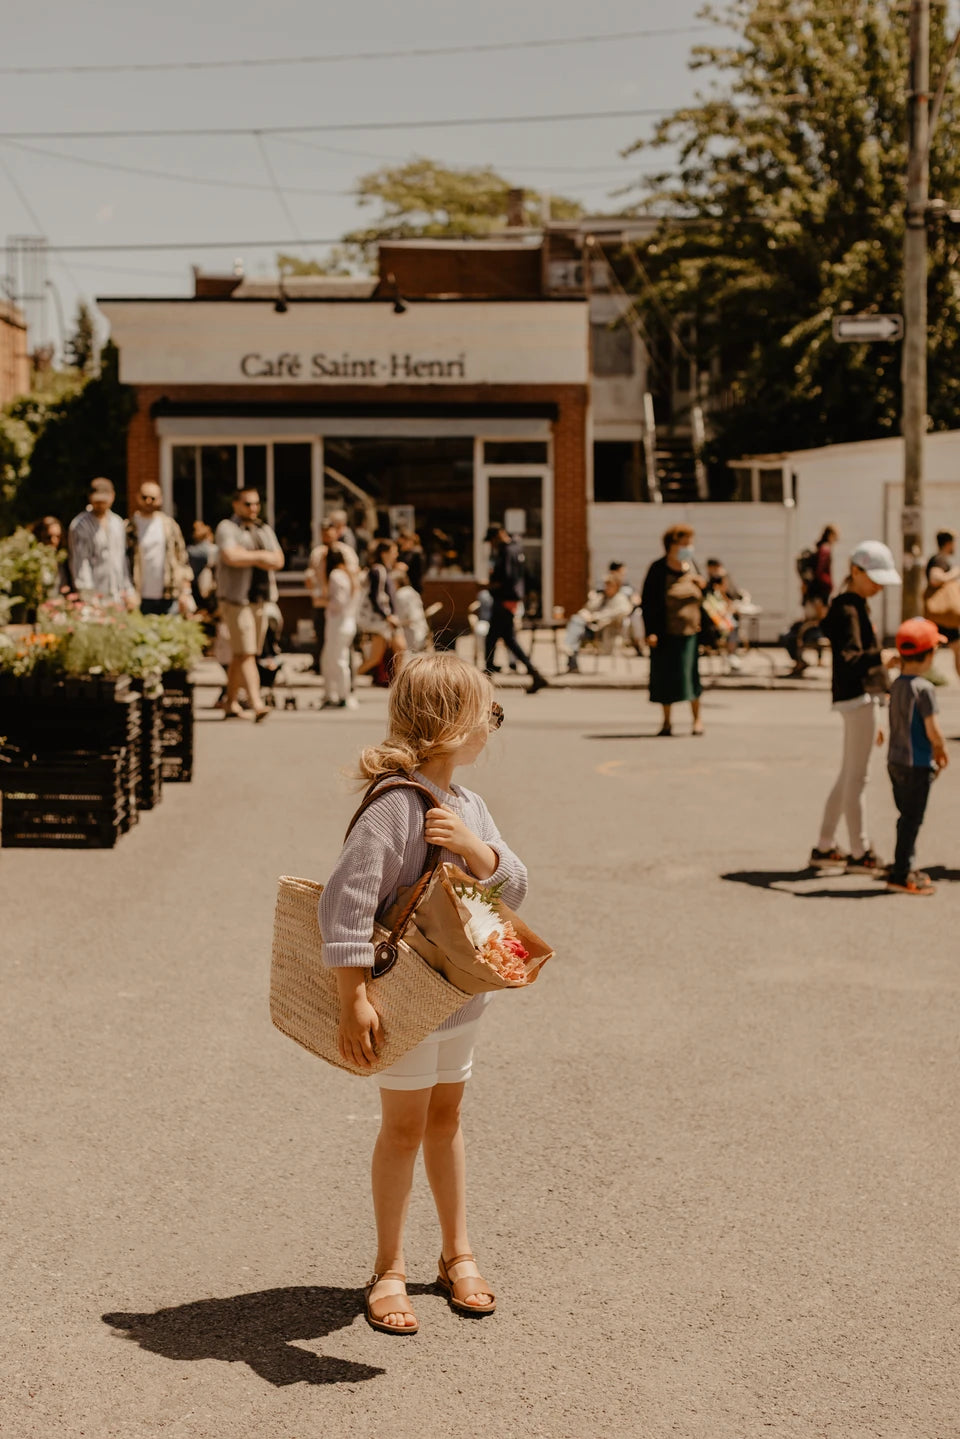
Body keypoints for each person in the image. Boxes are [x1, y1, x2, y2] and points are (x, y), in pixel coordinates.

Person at [319, 654, 527, 1333]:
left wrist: (477, 849)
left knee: (446, 1120)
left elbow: (513, 888)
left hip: (458, 998)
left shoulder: (469, 806)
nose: (492, 727)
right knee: (404, 1128)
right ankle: (388, 1265)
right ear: (450, 726)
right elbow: (344, 906)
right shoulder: (395, 806)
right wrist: (354, 997)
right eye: (486, 715)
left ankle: (457, 1251)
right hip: (399, 1000)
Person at [809, 540, 902, 873]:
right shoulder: (849, 608)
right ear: (855, 571)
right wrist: (883, 658)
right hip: (857, 697)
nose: (878, 586)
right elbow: (850, 659)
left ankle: (824, 845)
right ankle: (860, 851)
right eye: (873, 578)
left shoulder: (852, 604)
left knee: (849, 775)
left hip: (859, 698)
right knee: (857, 778)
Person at [886, 618, 950, 896]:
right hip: (918, 764)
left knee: (905, 817)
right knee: (912, 820)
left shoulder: (898, 684)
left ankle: (904, 865)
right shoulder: (924, 688)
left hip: (895, 762)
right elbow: (931, 728)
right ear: (931, 654)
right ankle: (901, 874)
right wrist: (941, 747)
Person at [214, 487, 284, 722]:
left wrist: (251, 556)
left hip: (260, 599)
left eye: (256, 504)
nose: (253, 508)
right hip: (236, 600)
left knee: (240, 654)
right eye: (247, 504)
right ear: (236, 504)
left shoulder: (263, 529)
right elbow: (230, 556)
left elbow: (279, 559)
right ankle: (256, 703)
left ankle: (231, 703)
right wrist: (262, 557)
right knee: (247, 654)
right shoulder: (227, 527)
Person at [640, 525, 706, 736]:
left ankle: (697, 720)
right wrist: (650, 631)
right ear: (671, 545)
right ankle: (667, 722)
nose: (688, 548)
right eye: (684, 544)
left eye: (690, 543)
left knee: (691, 677)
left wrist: (702, 586)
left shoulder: (692, 566)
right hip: (665, 632)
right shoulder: (658, 569)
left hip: (690, 633)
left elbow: (704, 599)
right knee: (665, 677)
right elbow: (648, 602)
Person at [483, 524, 548, 694]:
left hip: (504, 600)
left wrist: (488, 585)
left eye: (491, 540)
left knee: (492, 639)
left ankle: (486, 679)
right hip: (511, 599)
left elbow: (507, 577)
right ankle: (534, 673)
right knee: (508, 639)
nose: (491, 545)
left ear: (498, 535)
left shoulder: (506, 551)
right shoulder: (516, 548)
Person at [126, 480, 193, 616]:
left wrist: (185, 592)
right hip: (138, 596)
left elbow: (182, 559)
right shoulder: (129, 527)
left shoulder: (169, 525)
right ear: (138, 497)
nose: (149, 501)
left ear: (160, 499)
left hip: (169, 593)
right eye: (145, 497)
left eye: (153, 498)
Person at [306, 518, 360, 675]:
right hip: (322, 603)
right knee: (324, 643)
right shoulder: (317, 552)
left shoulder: (345, 552)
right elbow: (312, 576)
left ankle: (347, 682)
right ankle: (328, 680)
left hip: (341, 605)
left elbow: (353, 575)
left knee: (343, 646)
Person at [68, 477, 135, 603]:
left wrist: (128, 590)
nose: (100, 505)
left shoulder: (117, 523)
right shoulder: (80, 525)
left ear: (112, 497)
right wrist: (87, 595)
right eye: (97, 501)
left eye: (104, 501)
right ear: (90, 498)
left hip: (117, 595)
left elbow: (121, 559)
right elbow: (80, 563)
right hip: (94, 596)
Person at [786, 525, 838, 676]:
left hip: (817, 595)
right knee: (819, 625)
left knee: (815, 626)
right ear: (831, 535)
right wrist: (824, 590)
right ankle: (805, 659)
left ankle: (807, 660)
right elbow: (821, 573)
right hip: (820, 594)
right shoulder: (825, 550)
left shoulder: (819, 549)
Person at [562, 569, 634, 673]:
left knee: (576, 628)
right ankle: (571, 653)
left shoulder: (620, 599)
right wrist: (587, 612)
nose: (607, 588)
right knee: (576, 621)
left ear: (616, 586)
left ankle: (568, 648)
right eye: (606, 585)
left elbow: (621, 612)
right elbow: (587, 609)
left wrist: (595, 617)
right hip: (590, 627)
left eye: (610, 585)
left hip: (605, 631)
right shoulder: (601, 597)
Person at [358, 539, 407, 686]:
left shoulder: (385, 570)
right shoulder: (378, 570)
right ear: (385, 553)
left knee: (400, 647)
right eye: (393, 551)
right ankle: (350, 678)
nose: (396, 554)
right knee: (376, 656)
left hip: (388, 619)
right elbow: (377, 596)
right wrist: (388, 615)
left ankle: (398, 682)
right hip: (383, 620)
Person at [321, 547, 359, 709]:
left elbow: (338, 602)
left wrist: (322, 601)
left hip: (338, 623)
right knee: (332, 658)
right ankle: (334, 693)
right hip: (349, 621)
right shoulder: (349, 576)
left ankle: (343, 695)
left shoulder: (335, 575)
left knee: (336, 660)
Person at [923, 529, 960, 680]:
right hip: (942, 616)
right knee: (933, 648)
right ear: (948, 543)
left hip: (942, 616)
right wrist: (954, 573)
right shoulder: (939, 560)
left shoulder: (939, 559)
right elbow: (934, 578)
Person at [701, 558, 745, 673]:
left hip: (724, 619)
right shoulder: (709, 588)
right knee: (731, 627)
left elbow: (735, 597)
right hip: (714, 624)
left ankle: (732, 655)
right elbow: (709, 607)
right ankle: (731, 655)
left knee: (733, 625)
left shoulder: (726, 582)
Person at [393, 561, 430, 653]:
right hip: (422, 630)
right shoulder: (412, 591)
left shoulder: (400, 595)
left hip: (411, 634)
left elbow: (400, 619)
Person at [29, 515, 71, 595]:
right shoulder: (32, 562)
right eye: (49, 537)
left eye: (58, 536)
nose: (54, 541)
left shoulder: (61, 559)